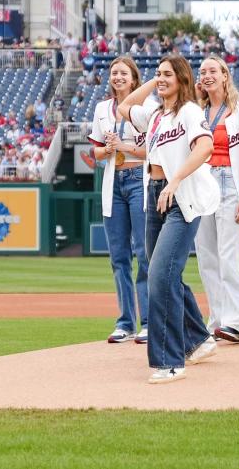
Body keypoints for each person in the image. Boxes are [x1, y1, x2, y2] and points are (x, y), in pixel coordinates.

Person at [118, 56, 221, 384]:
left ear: (182, 78)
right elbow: (125, 107)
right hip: (155, 194)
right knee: (162, 271)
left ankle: (170, 361)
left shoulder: (189, 111)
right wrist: (154, 81)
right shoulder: (156, 115)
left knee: (161, 274)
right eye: (158, 74)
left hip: (182, 197)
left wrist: (175, 180)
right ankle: (199, 339)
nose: (161, 79)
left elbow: (205, 146)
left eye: (167, 74)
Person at [194, 55, 239, 343]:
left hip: (228, 182)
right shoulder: (195, 113)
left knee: (230, 254)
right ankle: (217, 320)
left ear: (225, 75)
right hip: (201, 183)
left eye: (213, 70)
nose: (207, 75)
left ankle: (235, 322)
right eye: (202, 71)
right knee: (207, 256)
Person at [88, 56, 150, 344]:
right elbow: (97, 153)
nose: (118, 77)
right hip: (113, 181)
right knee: (119, 257)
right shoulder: (102, 108)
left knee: (144, 253)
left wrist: (122, 146)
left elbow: (153, 149)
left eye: (124, 73)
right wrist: (109, 148)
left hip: (139, 179)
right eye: (114, 73)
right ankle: (125, 322)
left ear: (134, 78)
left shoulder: (147, 106)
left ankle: (149, 321)